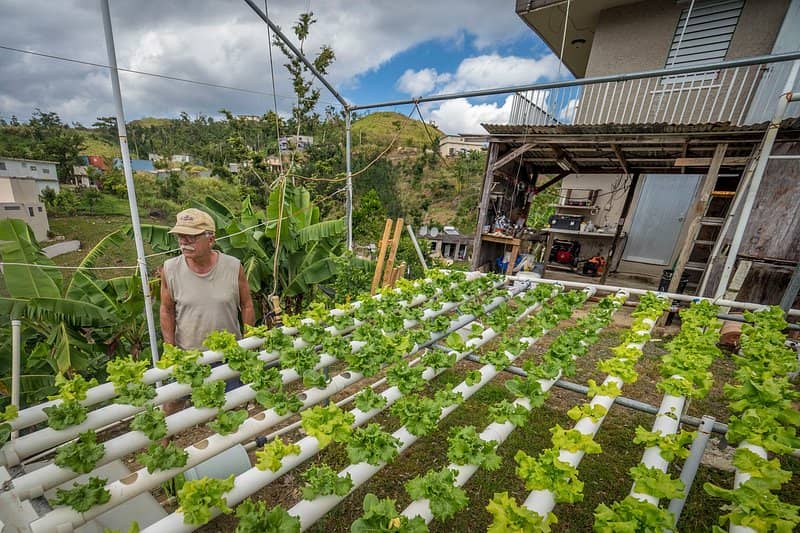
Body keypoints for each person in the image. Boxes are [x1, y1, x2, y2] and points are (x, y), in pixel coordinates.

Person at [159, 208, 255, 412]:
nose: (184, 242)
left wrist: (248, 343)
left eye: (191, 237)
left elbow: (246, 304)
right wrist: (170, 349)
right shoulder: (170, 269)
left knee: (231, 408)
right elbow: (166, 310)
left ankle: (229, 443)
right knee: (172, 405)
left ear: (210, 239)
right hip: (188, 356)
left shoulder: (233, 266)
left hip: (227, 355)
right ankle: (162, 443)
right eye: (180, 236)